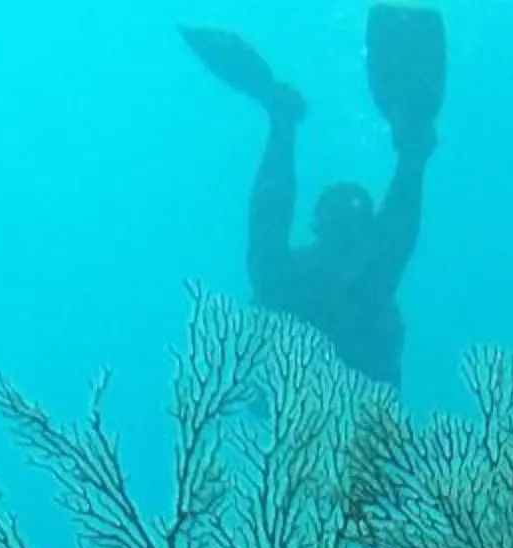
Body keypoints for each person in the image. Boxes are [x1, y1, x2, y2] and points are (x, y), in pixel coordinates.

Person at [181, 7, 445, 387]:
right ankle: (282, 119)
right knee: (272, 272)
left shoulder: (331, 274)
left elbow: (268, 222)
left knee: (268, 271)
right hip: (349, 404)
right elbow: (401, 214)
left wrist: (281, 121)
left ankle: (281, 118)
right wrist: (413, 148)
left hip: (321, 403)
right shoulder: (371, 270)